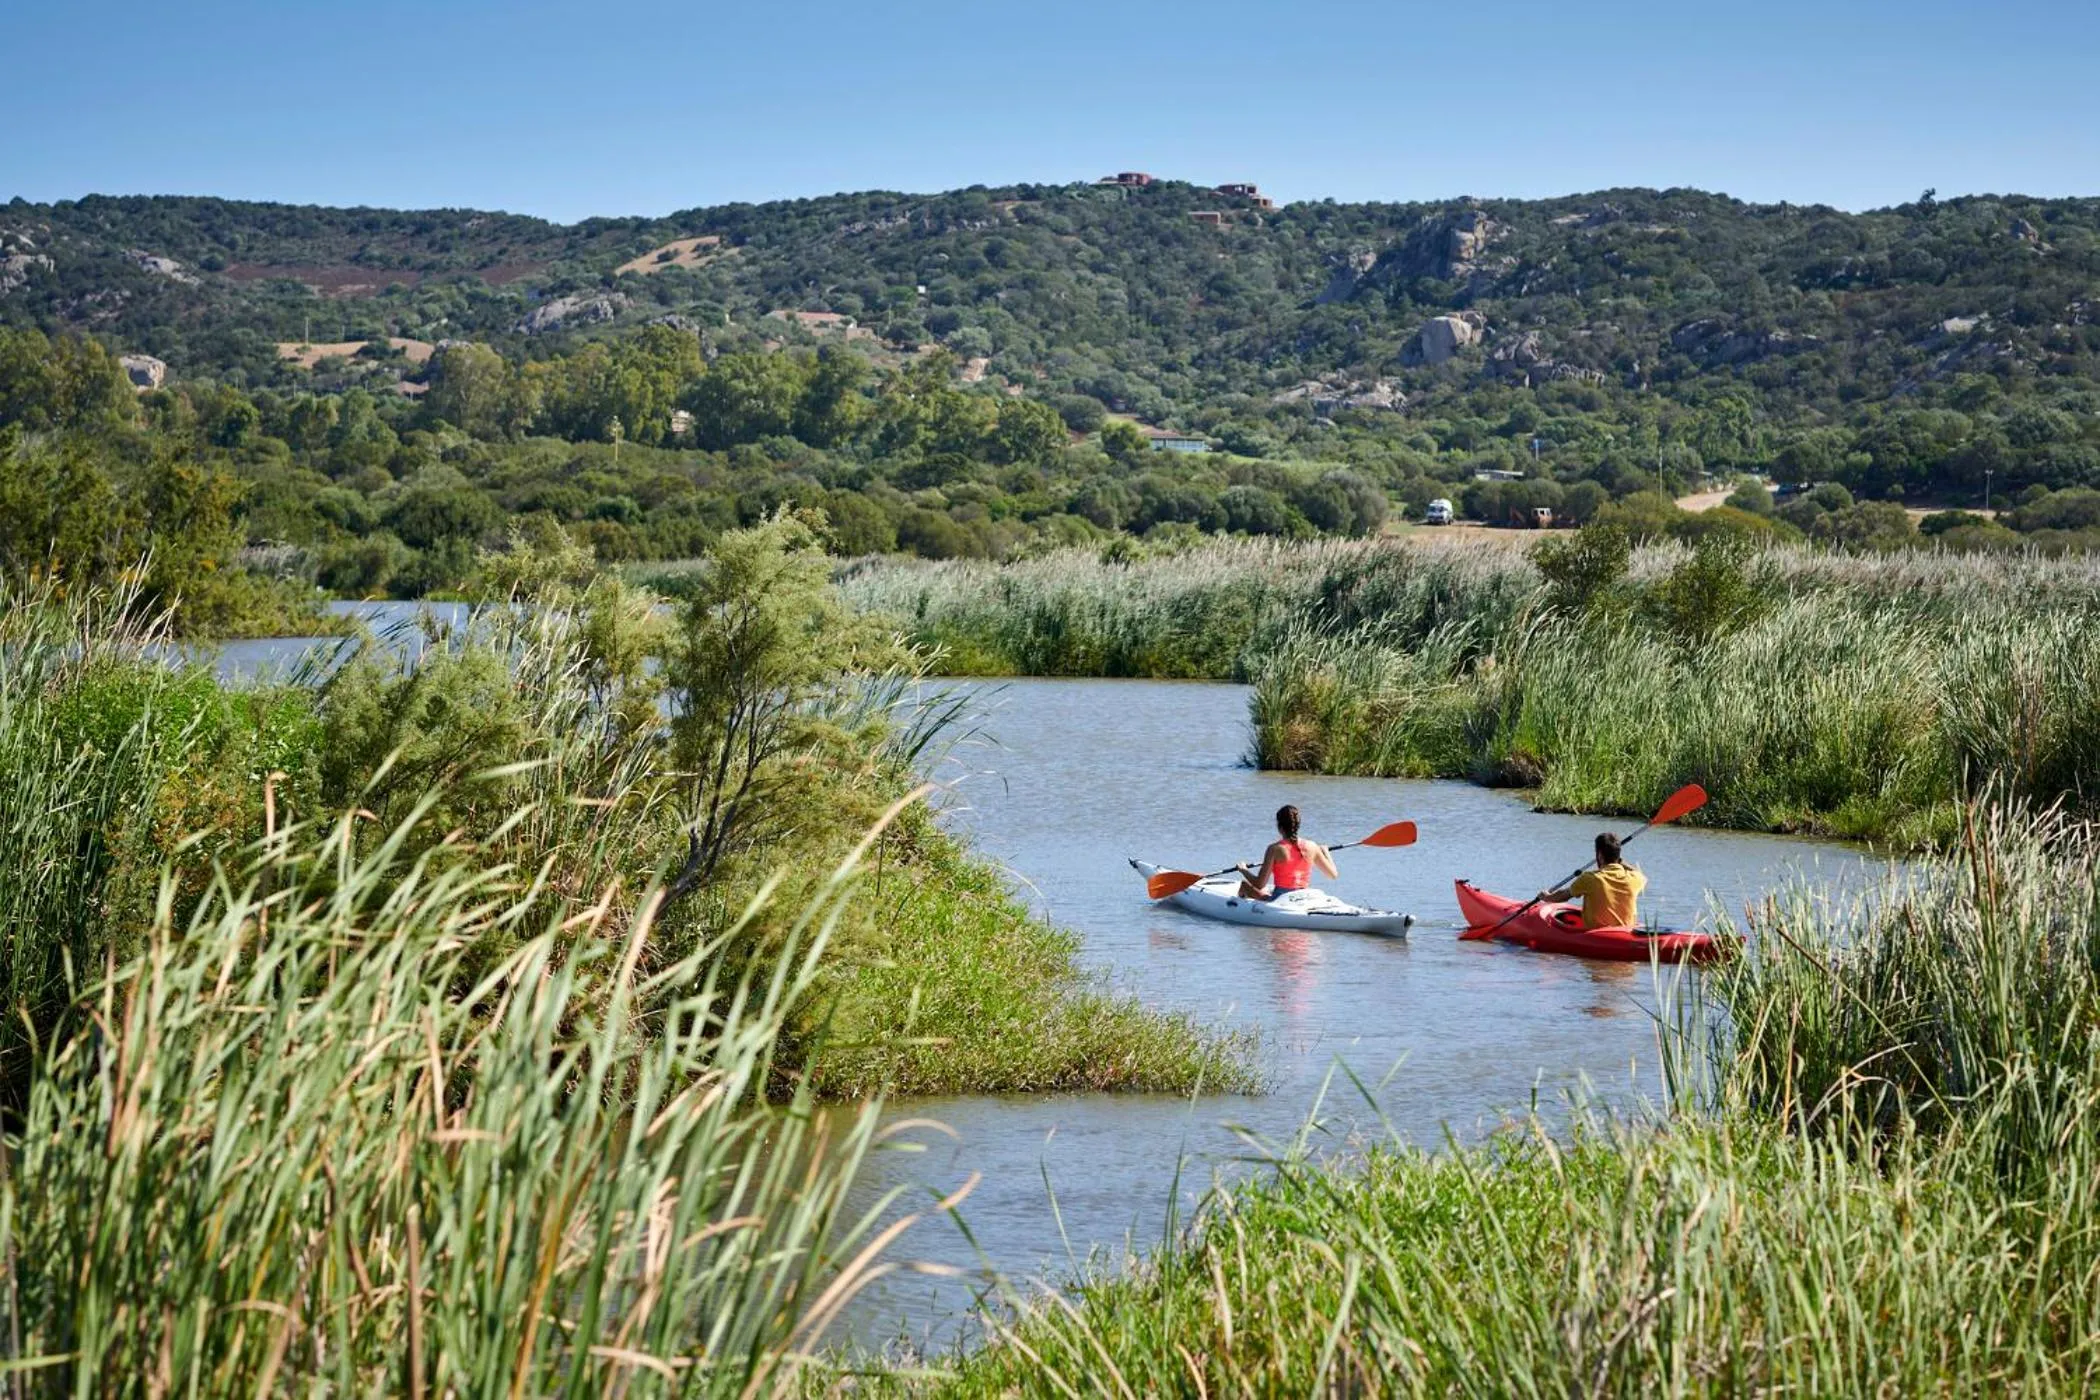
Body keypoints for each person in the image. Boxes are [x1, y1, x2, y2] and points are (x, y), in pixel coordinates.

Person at [1540, 832, 1647, 930]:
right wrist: (1620, 860)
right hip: (1625, 933)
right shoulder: (1634, 878)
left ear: (1599, 855)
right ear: (1618, 855)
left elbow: (1563, 895)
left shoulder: (1590, 878)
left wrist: (1547, 897)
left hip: (1599, 936)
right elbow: (1638, 873)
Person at [1237, 804, 1337, 900]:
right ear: (1297, 826)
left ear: (1279, 827)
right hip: (1304, 896)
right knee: (1266, 890)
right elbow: (1332, 875)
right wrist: (1326, 853)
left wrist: (1243, 870)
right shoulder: (1312, 846)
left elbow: (1259, 884)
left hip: (1281, 899)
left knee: (1245, 885)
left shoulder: (1274, 849)